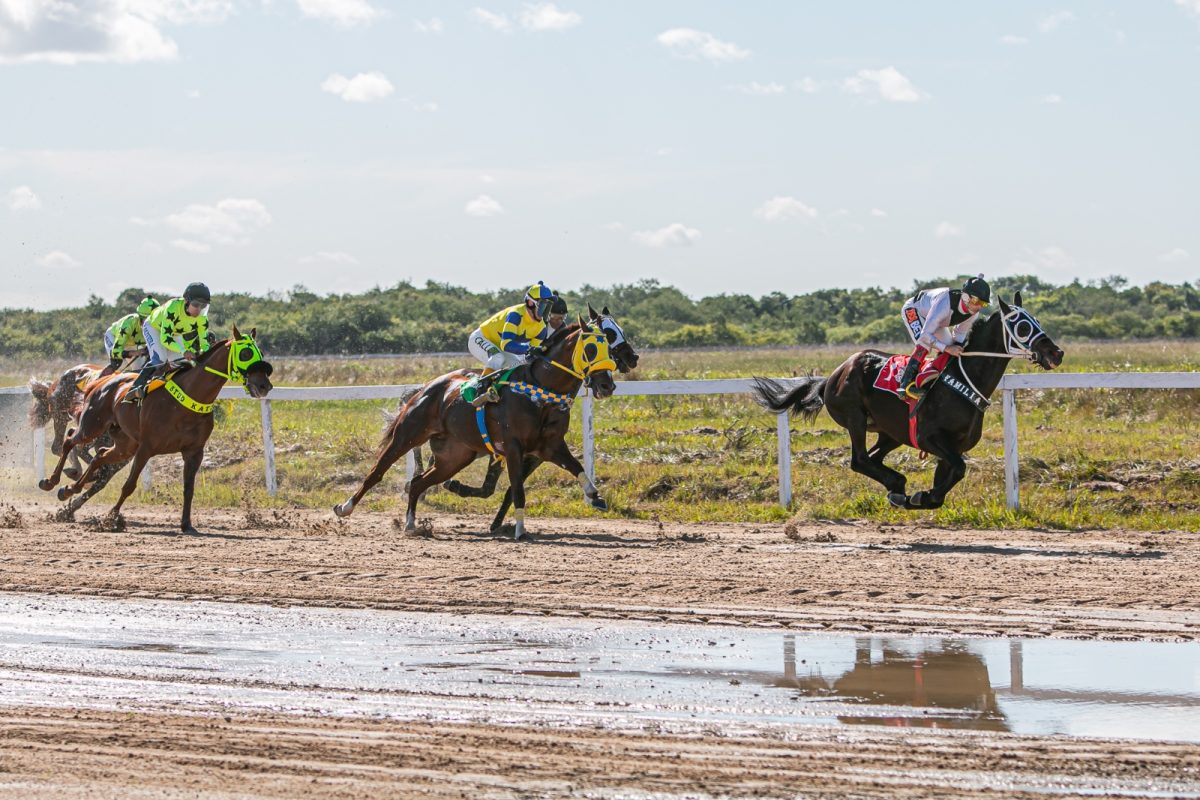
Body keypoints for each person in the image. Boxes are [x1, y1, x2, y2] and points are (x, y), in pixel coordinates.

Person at [896, 274, 991, 399]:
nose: (979, 307)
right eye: (976, 302)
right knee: (924, 344)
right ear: (966, 297)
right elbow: (925, 335)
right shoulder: (945, 303)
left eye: (983, 304)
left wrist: (955, 349)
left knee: (953, 347)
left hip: (936, 320)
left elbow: (959, 335)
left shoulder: (973, 314)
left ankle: (934, 373)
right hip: (914, 310)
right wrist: (946, 349)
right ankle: (905, 384)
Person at [467, 281, 557, 407]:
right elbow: (506, 345)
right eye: (543, 306)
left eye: (549, 307)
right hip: (480, 338)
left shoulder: (541, 329)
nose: (546, 311)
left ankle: (498, 394)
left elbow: (530, 355)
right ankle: (480, 389)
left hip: (499, 346)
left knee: (519, 366)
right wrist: (530, 349)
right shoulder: (516, 315)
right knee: (498, 357)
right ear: (530, 303)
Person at [124, 282, 212, 404]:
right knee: (160, 358)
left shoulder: (202, 319)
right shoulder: (173, 307)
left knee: (183, 363)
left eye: (203, 306)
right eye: (196, 304)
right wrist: (183, 351)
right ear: (186, 301)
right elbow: (165, 339)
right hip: (153, 328)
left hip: (174, 334)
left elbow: (204, 342)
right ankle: (135, 388)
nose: (199, 309)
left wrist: (207, 355)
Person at [99, 296, 160, 377]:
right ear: (141, 318)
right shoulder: (128, 324)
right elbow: (116, 352)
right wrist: (136, 353)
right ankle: (96, 384)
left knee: (141, 369)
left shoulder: (157, 326)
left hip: (132, 344)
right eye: (149, 320)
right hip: (114, 338)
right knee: (116, 362)